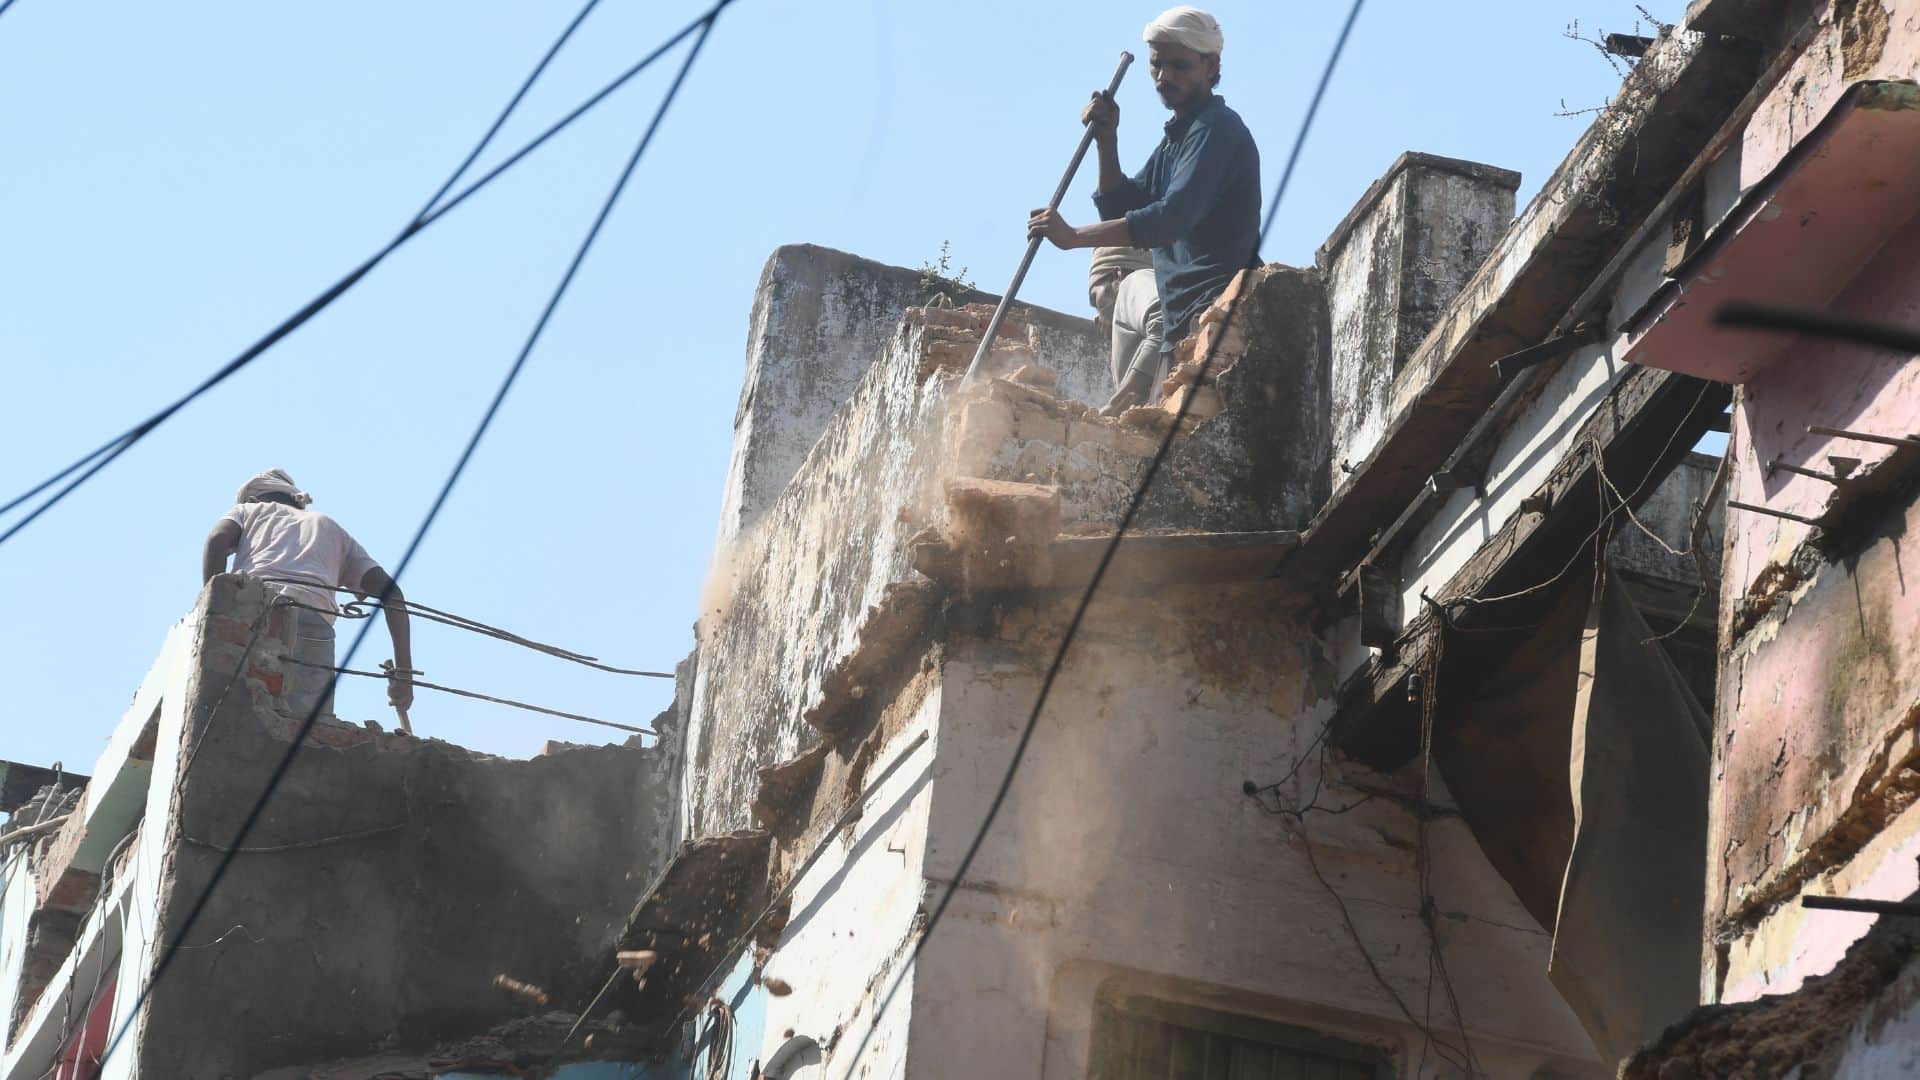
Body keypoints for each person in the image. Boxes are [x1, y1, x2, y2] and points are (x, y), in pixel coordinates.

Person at [1028, 6, 1260, 405]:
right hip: (1180, 320)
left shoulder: (1216, 130)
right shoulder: (1177, 139)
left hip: (1208, 309)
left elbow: (1169, 218)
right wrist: (1107, 140)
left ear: (1210, 66)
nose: (1164, 76)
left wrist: (1072, 237)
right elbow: (1121, 207)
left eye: (1179, 65)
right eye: (1157, 65)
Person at [201, 469, 414, 721]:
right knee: (308, 727)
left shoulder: (248, 510)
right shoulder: (329, 526)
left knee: (235, 715)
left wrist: (215, 610)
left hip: (259, 613)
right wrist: (404, 674)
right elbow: (392, 594)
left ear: (253, 499)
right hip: (316, 628)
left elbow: (217, 539)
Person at [1087, 246, 1163, 415]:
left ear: (1118, 275)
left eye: (1096, 298)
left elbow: (1166, 324)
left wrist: (1117, 404)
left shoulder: (1135, 281)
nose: (1096, 318)